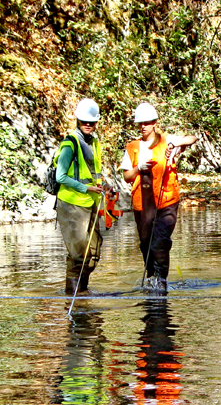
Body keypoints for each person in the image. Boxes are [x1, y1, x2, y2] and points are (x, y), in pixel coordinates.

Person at [121, 102, 197, 295]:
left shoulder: (167, 140)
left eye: (147, 122)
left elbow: (192, 138)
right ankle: (151, 277)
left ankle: (161, 283)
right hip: (142, 205)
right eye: (140, 123)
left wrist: (175, 144)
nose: (143, 126)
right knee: (146, 244)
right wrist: (139, 169)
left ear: (154, 122)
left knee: (160, 241)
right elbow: (127, 176)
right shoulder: (132, 147)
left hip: (167, 202)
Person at [55, 98, 109, 295]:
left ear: (96, 123)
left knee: (93, 253)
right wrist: (86, 189)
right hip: (71, 205)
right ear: (77, 120)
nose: (88, 124)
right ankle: (74, 296)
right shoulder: (70, 143)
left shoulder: (94, 143)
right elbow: (60, 176)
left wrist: (103, 185)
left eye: (92, 122)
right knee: (78, 255)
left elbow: (93, 173)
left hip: (90, 203)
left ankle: (82, 290)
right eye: (84, 121)